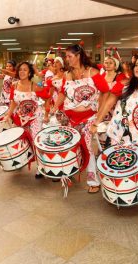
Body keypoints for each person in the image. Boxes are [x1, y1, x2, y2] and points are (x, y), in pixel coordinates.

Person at [91, 53, 138, 217]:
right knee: (117, 166)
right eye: (136, 64)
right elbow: (108, 102)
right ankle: (120, 195)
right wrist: (97, 122)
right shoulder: (123, 85)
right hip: (118, 135)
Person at [51, 44, 109, 193]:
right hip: (71, 116)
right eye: (66, 56)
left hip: (89, 116)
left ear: (78, 56)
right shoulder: (67, 75)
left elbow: (105, 92)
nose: (67, 59)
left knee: (87, 146)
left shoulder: (93, 72)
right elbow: (63, 93)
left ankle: (93, 181)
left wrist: (99, 112)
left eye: (69, 56)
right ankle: (68, 172)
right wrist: (55, 107)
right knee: (69, 145)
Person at [4, 61, 50, 178]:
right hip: (21, 117)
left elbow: (47, 96)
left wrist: (46, 114)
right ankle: (22, 161)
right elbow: (13, 102)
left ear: (29, 72)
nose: (22, 72)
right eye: (20, 69)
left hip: (35, 117)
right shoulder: (14, 85)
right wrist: (8, 115)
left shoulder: (34, 84)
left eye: (25, 69)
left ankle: (41, 167)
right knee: (22, 140)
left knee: (36, 140)